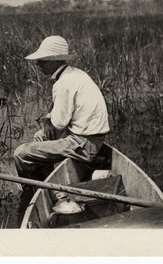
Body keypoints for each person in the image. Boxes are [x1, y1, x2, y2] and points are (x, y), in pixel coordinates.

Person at [13, 35, 110, 220]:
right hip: (93, 138)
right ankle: (47, 184)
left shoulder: (63, 83)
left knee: (21, 153)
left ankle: (37, 191)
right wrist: (47, 124)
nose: (38, 65)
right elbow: (60, 118)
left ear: (53, 60)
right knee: (41, 136)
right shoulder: (76, 74)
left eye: (41, 60)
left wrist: (47, 120)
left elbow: (58, 122)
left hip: (84, 144)